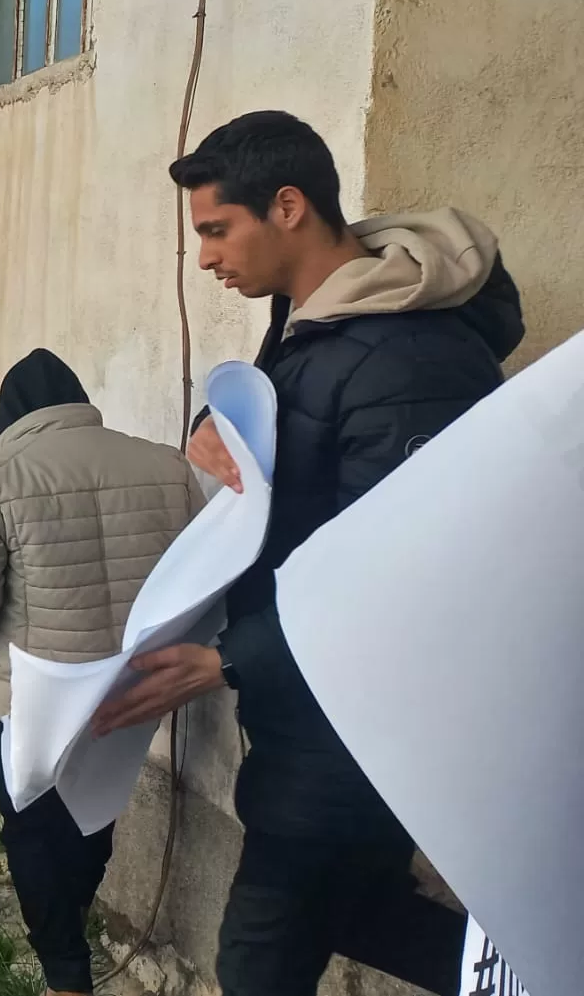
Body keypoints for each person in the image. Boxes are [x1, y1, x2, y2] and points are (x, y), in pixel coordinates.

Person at [89, 111, 518, 996]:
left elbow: (410, 571)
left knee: (255, 962)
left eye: (216, 230)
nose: (205, 257)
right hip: (308, 713)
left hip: (357, 725)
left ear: (287, 207)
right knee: (360, 910)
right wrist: (214, 435)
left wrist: (226, 658)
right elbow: (292, 464)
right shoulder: (310, 321)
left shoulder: (411, 356)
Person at [0, 349, 200, 996]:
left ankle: (65, 975)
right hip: (130, 697)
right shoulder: (169, 466)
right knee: (91, 823)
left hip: (34, 703)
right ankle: (68, 945)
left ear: (8, 418)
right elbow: (197, 581)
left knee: (31, 832)